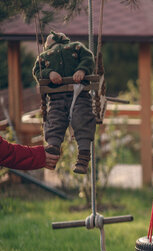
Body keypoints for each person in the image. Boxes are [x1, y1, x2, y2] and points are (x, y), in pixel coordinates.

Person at [33, 31, 96, 174]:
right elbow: (37, 71)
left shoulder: (76, 47)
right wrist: (49, 73)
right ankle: (53, 146)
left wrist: (82, 69)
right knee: (55, 119)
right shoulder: (44, 56)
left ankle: (83, 157)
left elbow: (88, 58)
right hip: (56, 98)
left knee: (82, 119)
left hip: (79, 94)